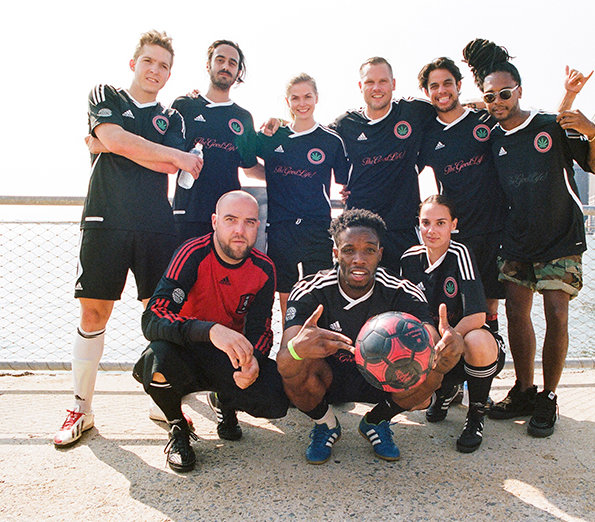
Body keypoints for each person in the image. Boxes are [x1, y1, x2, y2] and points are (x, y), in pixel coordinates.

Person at [54, 30, 204, 448]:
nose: (155, 70)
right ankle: (80, 409)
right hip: (105, 222)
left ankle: (163, 400)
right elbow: (135, 146)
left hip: (156, 226)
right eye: (149, 61)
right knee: (94, 315)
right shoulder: (106, 95)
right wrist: (171, 154)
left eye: (164, 66)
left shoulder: (172, 118)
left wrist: (112, 144)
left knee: (159, 317)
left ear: (170, 74)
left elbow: (160, 168)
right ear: (134, 63)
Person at [464, 39, 595, 438]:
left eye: (505, 94)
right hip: (515, 241)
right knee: (515, 315)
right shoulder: (491, 136)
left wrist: (592, 131)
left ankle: (548, 396)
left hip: (560, 237)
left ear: (520, 91)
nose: (498, 101)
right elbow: (468, 109)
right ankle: (524, 389)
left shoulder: (551, 124)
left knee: (557, 315)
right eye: (490, 96)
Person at [417, 57, 593, 335]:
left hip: (497, 232)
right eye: (434, 86)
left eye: (448, 83)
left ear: (459, 85)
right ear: (426, 93)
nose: (442, 90)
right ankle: (458, 373)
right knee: (456, 306)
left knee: (490, 308)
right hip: (457, 233)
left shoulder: (486, 119)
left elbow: (541, 132)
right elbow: (404, 170)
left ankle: (486, 369)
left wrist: (569, 95)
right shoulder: (427, 136)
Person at [276, 209, 464, 464]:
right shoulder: (310, 290)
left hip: (383, 380)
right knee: (294, 365)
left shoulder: (401, 290)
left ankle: (376, 421)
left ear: (380, 254)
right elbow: (284, 362)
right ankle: (325, 423)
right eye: (349, 250)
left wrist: (448, 349)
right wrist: (298, 348)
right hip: (327, 379)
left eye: (369, 250)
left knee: (433, 369)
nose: (359, 259)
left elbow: (431, 339)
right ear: (335, 254)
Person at [132, 191, 289, 472]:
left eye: (249, 222)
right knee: (156, 361)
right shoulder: (192, 253)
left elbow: (262, 328)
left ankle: (224, 403)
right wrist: (210, 330)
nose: (240, 230)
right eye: (231, 220)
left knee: (276, 397)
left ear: (258, 227)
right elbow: (153, 318)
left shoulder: (264, 268)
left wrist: (254, 359)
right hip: (187, 350)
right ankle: (178, 429)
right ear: (215, 221)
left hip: (230, 357)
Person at [400, 195, 506, 453]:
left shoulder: (460, 254)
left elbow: (478, 316)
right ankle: (444, 392)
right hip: (431, 348)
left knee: (477, 340)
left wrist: (450, 337)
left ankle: (475, 416)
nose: (432, 230)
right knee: (415, 402)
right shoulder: (409, 259)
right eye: (426, 223)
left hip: (467, 346)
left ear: (453, 224)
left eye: (440, 222)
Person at [255, 73, 350, 318]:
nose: (302, 103)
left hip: (317, 226)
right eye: (295, 98)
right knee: (285, 289)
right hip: (280, 227)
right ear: (287, 102)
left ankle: (316, 343)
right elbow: (244, 159)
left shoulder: (331, 140)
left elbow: (347, 181)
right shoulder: (273, 136)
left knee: (319, 288)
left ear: (316, 98)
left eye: (307, 96)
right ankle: (289, 341)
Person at [329, 57, 436, 273]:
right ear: (360, 87)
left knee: (409, 295)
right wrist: (279, 123)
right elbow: (310, 135)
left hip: (403, 226)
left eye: (383, 81)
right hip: (360, 229)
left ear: (394, 84)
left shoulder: (413, 111)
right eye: (369, 82)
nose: (376, 88)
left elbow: (450, 109)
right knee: (358, 297)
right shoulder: (345, 124)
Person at [171, 39, 265, 243]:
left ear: (238, 72)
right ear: (209, 65)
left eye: (232, 63)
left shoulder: (243, 117)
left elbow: (249, 167)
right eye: (220, 60)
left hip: (228, 220)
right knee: (184, 274)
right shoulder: (185, 105)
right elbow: (165, 152)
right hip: (187, 214)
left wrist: (286, 179)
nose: (225, 66)